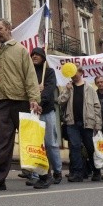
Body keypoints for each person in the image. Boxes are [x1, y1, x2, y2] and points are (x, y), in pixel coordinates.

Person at [0, 18, 41, 191]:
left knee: (31, 139)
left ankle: (44, 175)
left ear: (9, 29)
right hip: (0, 102)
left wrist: (34, 99)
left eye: (0, 28)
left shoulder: (21, 50)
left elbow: (30, 76)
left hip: (20, 100)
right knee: (1, 142)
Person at [59, 66, 102, 182]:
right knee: (75, 147)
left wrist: (98, 124)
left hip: (87, 122)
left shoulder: (90, 88)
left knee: (90, 147)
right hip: (72, 122)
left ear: (81, 73)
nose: (73, 75)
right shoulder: (68, 87)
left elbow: (97, 107)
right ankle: (78, 173)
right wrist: (67, 91)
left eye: (75, 73)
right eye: (71, 73)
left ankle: (96, 171)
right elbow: (60, 102)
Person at [28, 47, 62, 188]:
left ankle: (58, 171)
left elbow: (49, 90)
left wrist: (40, 102)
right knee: (36, 145)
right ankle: (36, 174)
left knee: (50, 143)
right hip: (33, 113)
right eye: (33, 54)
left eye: (37, 54)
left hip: (47, 112)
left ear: (43, 57)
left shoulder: (49, 72)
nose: (34, 56)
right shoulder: (29, 73)